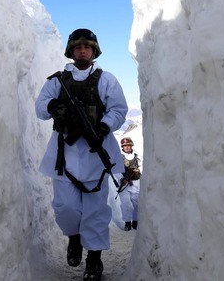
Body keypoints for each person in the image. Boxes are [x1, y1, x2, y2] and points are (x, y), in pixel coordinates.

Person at [35, 28, 128, 281]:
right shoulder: (57, 81)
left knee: (95, 211)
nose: (82, 50)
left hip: (96, 153)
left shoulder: (107, 79)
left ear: (94, 50)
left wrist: (103, 126)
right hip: (64, 154)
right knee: (65, 207)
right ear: (71, 51)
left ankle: (94, 260)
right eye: (78, 47)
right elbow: (40, 109)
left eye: (87, 47)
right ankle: (74, 238)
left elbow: (119, 109)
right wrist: (53, 106)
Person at [117, 137, 141, 231]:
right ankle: (127, 223)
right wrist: (122, 179)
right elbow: (116, 170)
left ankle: (136, 222)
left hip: (136, 183)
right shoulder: (119, 157)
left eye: (128, 145)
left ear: (131, 146)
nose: (126, 147)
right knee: (126, 204)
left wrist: (136, 173)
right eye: (124, 146)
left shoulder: (137, 156)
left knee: (136, 204)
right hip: (124, 185)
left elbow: (141, 167)